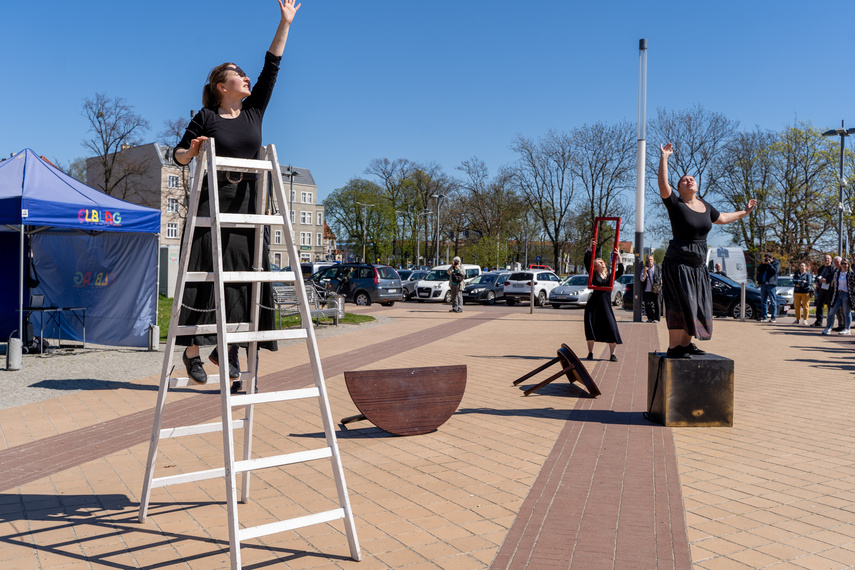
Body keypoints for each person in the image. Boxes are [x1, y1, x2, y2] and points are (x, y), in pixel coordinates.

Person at [173, 0, 300, 391]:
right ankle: (193, 350)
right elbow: (176, 156)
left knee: (246, 281)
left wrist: (285, 22)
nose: (245, 79)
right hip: (213, 204)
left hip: (249, 205)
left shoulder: (254, 112)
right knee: (206, 275)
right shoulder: (206, 117)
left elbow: (271, 67)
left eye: (245, 75)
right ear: (220, 87)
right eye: (237, 76)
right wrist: (192, 151)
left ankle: (237, 361)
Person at [658, 143, 757, 358]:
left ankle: (686, 344)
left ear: (697, 186)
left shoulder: (706, 206)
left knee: (696, 303)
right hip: (678, 262)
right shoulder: (675, 204)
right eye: (684, 180)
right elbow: (663, 185)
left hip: (698, 264)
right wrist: (664, 158)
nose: (689, 180)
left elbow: (722, 218)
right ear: (680, 187)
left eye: (692, 178)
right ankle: (674, 347)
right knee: (679, 302)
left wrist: (745, 212)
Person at [583, 242, 624, 361]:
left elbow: (620, 272)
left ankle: (613, 354)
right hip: (594, 305)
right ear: (596, 267)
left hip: (606, 306)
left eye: (602, 262)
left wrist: (619, 258)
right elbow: (587, 263)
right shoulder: (594, 276)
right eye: (599, 262)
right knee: (590, 328)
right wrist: (590, 250)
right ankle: (590, 353)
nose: (602, 263)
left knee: (611, 328)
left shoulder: (609, 277)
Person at [822, 258, 855, 335]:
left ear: (848, 265)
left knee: (846, 312)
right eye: (842, 263)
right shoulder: (837, 272)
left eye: (845, 263)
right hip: (838, 294)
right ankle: (828, 328)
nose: (844, 265)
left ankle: (847, 329)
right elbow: (833, 283)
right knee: (832, 311)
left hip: (846, 294)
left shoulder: (850, 274)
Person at [756, 253, 780, 323]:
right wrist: (763, 263)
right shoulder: (764, 265)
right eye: (765, 258)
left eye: (768, 258)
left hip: (771, 284)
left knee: (773, 301)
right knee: (763, 301)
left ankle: (773, 317)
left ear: (771, 258)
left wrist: (769, 264)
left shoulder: (776, 263)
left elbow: (775, 271)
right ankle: (764, 316)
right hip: (763, 284)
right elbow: (758, 269)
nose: (767, 260)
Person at [813, 254, 835, 327]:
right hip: (821, 289)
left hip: (829, 290)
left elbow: (833, 279)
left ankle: (830, 323)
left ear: (831, 260)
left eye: (828, 259)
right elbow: (817, 277)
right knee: (819, 305)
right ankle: (818, 322)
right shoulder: (821, 268)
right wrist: (816, 281)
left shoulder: (833, 268)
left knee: (830, 307)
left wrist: (826, 281)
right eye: (825, 259)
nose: (827, 260)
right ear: (823, 260)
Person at [639, 254, 662, 323]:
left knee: (657, 303)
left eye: (651, 260)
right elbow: (642, 279)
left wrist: (661, 282)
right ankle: (650, 318)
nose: (650, 261)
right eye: (648, 260)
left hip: (656, 289)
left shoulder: (657, 268)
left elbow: (662, 275)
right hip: (647, 289)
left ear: (653, 261)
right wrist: (645, 272)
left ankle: (657, 318)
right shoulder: (644, 269)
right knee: (647, 304)